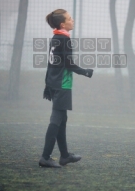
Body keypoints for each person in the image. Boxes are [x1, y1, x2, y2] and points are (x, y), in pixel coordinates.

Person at [39, 9, 94, 168]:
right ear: (63, 24)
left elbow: (51, 63)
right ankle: (45, 157)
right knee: (56, 119)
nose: (73, 20)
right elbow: (68, 64)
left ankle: (64, 156)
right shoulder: (63, 39)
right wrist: (85, 71)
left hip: (55, 83)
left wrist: (47, 84)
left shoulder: (56, 38)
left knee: (62, 119)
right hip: (62, 84)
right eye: (70, 18)